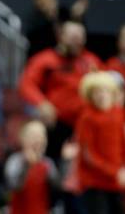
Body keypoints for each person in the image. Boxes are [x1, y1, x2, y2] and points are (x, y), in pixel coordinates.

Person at [18, 21, 103, 161]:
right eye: (72, 38)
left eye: (80, 38)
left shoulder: (91, 61)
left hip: (84, 123)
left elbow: (106, 86)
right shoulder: (45, 60)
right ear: (61, 37)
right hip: (55, 123)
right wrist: (41, 103)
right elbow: (26, 84)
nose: (76, 42)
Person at [75, 72, 125, 214]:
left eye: (106, 91)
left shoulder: (118, 115)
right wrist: (115, 172)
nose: (102, 95)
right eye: (97, 92)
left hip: (115, 184)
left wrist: (122, 170)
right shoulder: (87, 117)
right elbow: (89, 156)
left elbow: (122, 147)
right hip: (94, 182)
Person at [4, 120, 59, 214]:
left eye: (41, 135)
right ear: (23, 139)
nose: (38, 139)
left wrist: (66, 161)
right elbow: (14, 186)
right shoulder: (15, 161)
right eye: (33, 135)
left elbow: (58, 190)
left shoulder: (48, 164)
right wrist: (27, 166)